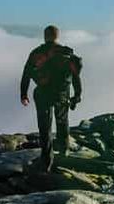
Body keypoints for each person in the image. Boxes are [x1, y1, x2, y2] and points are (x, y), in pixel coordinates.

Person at [20, 25, 82, 172]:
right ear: (57, 36)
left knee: (44, 127)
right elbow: (76, 77)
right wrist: (77, 95)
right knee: (62, 122)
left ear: (45, 36)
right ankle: (63, 152)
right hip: (62, 94)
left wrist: (23, 94)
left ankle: (46, 161)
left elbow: (26, 74)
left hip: (43, 94)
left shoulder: (36, 53)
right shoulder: (67, 54)